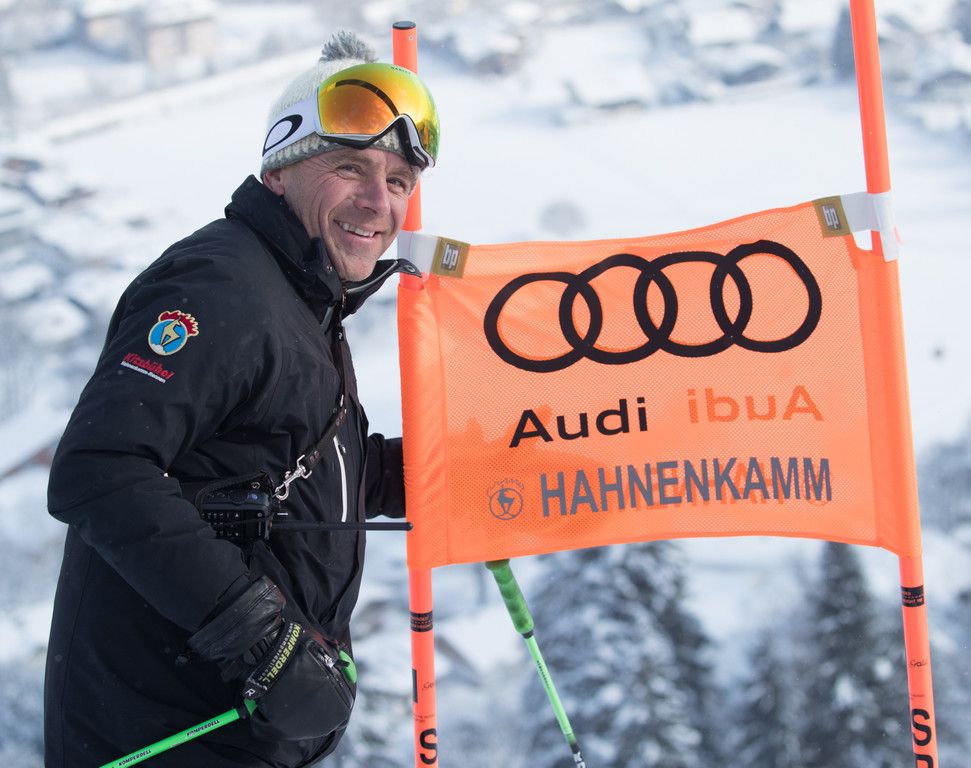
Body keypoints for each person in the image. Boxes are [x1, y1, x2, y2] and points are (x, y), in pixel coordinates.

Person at [44, 30, 439, 768]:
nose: (377, 202)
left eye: (398, 181)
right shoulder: (221, 288)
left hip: (232, 731)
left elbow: (302, 475)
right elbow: (99, 469)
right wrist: (262, 640)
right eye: (349, 167)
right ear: (279, 170)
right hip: (165, 735)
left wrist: (456, 468)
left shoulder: (304, 299)